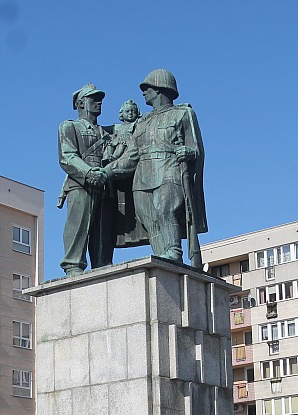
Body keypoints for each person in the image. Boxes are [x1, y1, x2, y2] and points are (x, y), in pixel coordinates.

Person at [122, 69, 208, 269]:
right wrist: (105, 172)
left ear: (160, 89)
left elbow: (197, 148)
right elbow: (130, 156)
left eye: (148, 88)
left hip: (170, 170)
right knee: (149, 220)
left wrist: (189, 152)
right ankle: (162, 259)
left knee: (165, 210)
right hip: (142, 177)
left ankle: (173, 251)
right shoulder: (142, 122)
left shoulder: (183, 113)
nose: (144, 92)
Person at [58, 83, 116, 275]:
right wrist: (89, 172)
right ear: (81, 103)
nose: (99, 102)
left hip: (104, 184)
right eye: (93, 99)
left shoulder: (107, 132)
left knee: (103, 231)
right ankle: (73, 265)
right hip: (80, 183)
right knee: (79, 225)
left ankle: (102, 264)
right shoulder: (69, 127)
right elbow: (67, 156)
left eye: (100, 99)